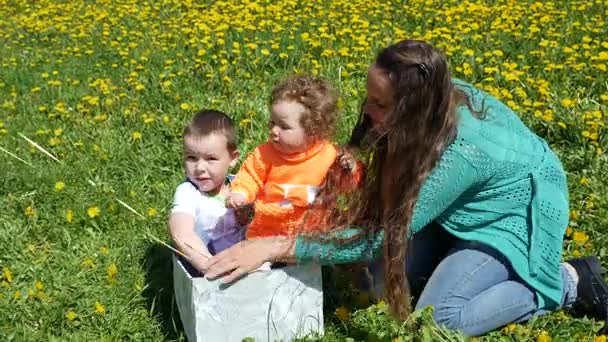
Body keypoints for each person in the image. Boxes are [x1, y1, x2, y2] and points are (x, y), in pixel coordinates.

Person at [201, 40, 608, 336]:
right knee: (383, 287)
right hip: (459, 204)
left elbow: (381, 236)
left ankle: (567, 281)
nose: (366, 110)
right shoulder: (430, 94)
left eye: (379, 104)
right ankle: (453, 254)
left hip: (514, 216)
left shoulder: (463, 154)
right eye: (369, 96)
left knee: (439, 318)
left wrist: (274, 245)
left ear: (411, 108)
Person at [226, 74, 361, 239]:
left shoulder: (329, 156)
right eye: (272, 123)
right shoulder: (265, 153)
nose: (274, 131)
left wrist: (350, 170)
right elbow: (250, 176)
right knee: (256, 261)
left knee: (307, 263)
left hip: (311, 232)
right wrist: (241, 193)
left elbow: (346, 187)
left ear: (312, 130)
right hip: (267, 228)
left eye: (284, 126)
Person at [168, 109, 244, 275]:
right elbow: (181, 233)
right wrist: (210, 267)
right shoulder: (188, 192)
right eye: (191, 158)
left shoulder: (241, 185)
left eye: (211, 159)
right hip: (205, 270)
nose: (200, 168)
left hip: (243, 261)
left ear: (232, 159)